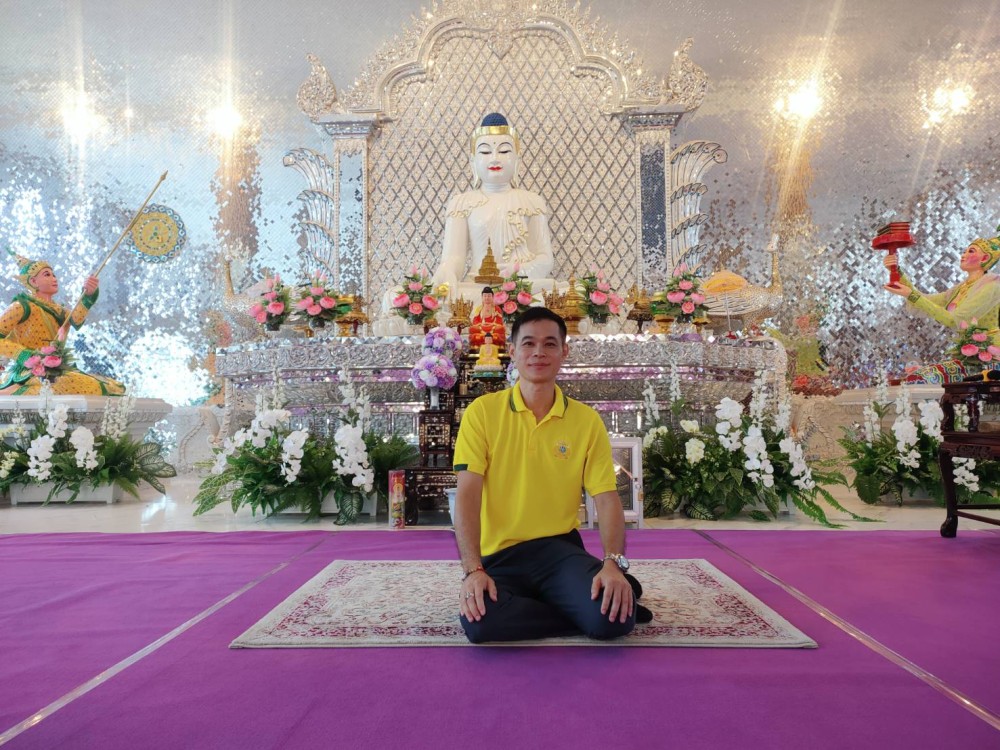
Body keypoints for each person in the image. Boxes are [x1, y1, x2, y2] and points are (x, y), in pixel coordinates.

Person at [452, 306, 650, 643]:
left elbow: (606, 497)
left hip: (559, 552)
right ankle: (575, 608)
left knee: (613, 621)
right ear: (512, 351)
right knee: (481, 625)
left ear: (564, 352)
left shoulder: (585, 420)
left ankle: (586, 600)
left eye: (549, 344)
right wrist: (473, 571)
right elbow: (468, 496)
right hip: (499, 556)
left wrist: (613, 564)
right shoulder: (482, 413)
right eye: (528, 343)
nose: (538, 353)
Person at [430, 113, 557, 301]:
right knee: (396, 296)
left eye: (504, 151)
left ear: (517, 159)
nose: (495, 159)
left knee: (562, 291)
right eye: (485, 152)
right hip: (477, 289)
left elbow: (545, 259)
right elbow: (454, 258)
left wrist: (517, 272)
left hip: (521, 288)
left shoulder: (532, 201)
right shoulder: (461, 203)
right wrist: (446, 270)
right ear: (473, 160)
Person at [884, 228, 1000, 383]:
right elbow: (926, 301)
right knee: (912, 379)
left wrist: (911, 295)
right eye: (964, 251)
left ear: (985, 258)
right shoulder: (962, 288)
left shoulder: (992, 286)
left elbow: (953, 319)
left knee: (919, 379)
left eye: (971, 251)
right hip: (968, 359)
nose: (963, 255)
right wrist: (897, 271)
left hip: (990, 361)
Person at [0, 253, 126, 395]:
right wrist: (23, 355)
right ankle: (12, 392)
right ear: (33, 281)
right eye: (47, 275)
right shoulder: (21, 306)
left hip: (53, 369)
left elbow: (76, 319)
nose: (54, 278)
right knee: (66, 385)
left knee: (109, 387)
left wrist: (88, 296)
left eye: (54, 275)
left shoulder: (60, 311)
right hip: (30, 372)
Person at [468, 286, 505, 350]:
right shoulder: (479, 309)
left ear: (492, 297)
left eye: (489, 296)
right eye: (485, 296)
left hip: (493, 328)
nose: (487, 298)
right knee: (472, 329)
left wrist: (492, 324)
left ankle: (496, 345)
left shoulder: (497, 308)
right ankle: (477, 345)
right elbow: (475, 321)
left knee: (501, 329)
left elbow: (499, 321)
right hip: (481, 327)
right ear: (482, 297)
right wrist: (481, 325)